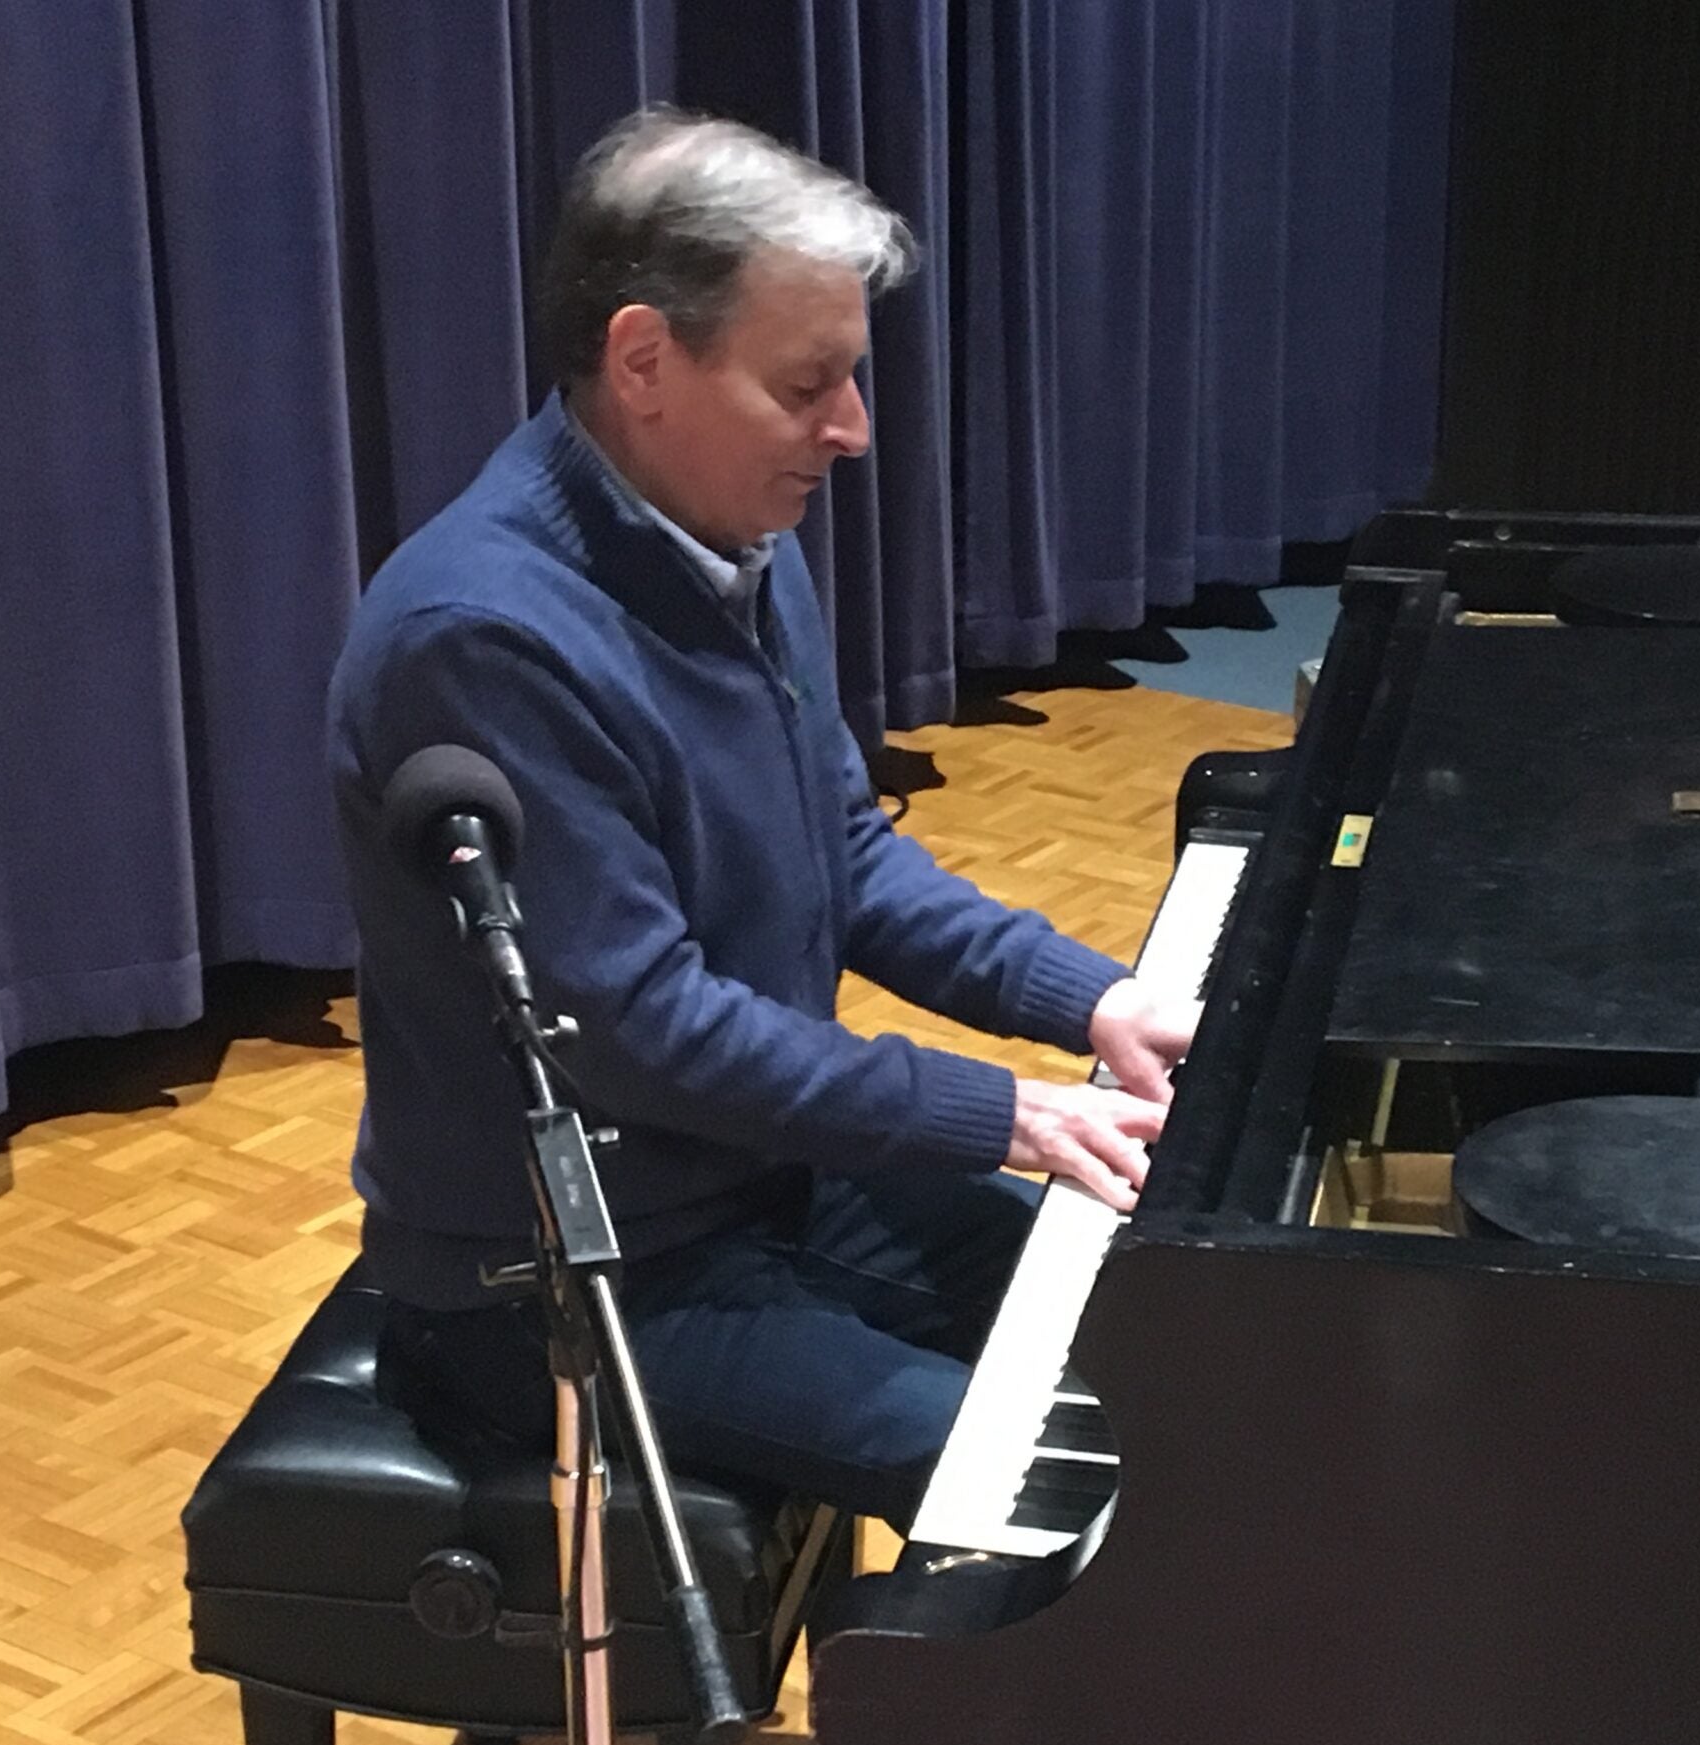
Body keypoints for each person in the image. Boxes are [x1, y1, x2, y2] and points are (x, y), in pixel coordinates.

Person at [325, 107, 1194, 1524]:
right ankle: (941, 1738)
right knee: (1060, 1483)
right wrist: (998, 1114)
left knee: (1171, 1349)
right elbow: (644, 1029)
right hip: (564, 1274)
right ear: (644, 362)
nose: (852, 431)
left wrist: (1087, 1001)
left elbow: (838, 852)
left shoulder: (729, 532)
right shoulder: (481, 639)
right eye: (811, 387)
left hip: (758, 1186)